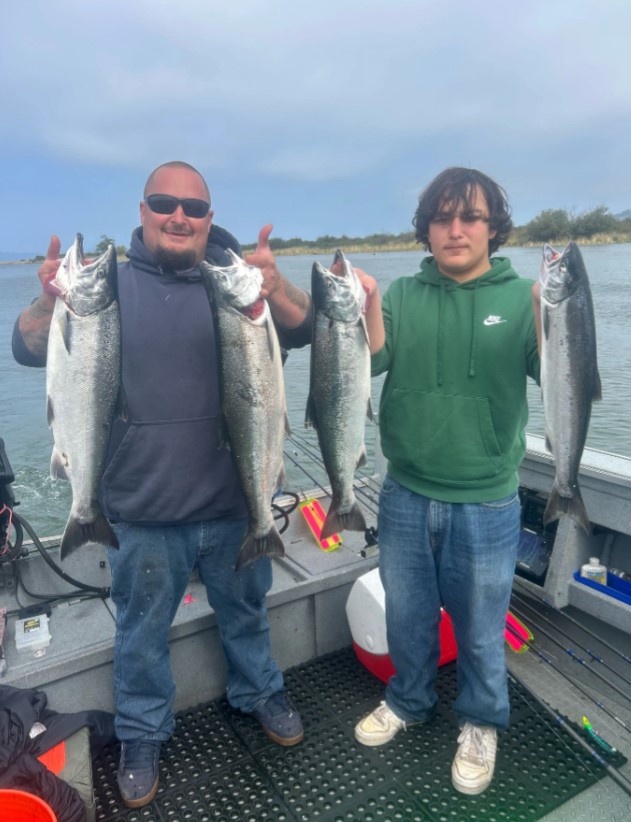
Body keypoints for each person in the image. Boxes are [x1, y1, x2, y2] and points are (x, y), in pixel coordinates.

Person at [12, 161, 312, 809]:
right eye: (163, 202)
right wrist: (45, 301)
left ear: (209, 218)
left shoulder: (233, 282)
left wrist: (276, 284)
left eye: (193, 207)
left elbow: (306, 328)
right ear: (143, 210)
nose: (178, 216)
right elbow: (28, 349)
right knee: (141, 632)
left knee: (246, 612)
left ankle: (259, 691)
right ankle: (144, 731)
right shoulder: (107, 284)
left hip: (236, 497)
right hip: (142, 507)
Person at [353, 167, 541, 796]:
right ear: (427, 228)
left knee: (481, 626)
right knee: (408, 616)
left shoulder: (525, 300)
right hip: (405, 491)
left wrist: (558, 319)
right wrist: (369, 303)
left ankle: (481, 721)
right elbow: (371, 360)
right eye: (442, 216)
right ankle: (408, 700)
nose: (455, 229)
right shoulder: (404, 293)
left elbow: (561, 373)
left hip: (487, 499)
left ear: (494, 228)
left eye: (470, 217)